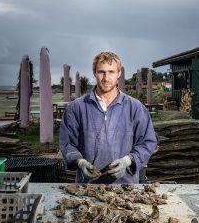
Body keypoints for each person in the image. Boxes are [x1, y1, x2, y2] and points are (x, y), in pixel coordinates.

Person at [59, 51, 157, 183]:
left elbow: (148, 141)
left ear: (119, 73)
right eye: (101, 72)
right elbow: (67, 143)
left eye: (111, 72)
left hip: (126, 189)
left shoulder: (135, 108)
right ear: (94, 73)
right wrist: (80, 162)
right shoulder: (77, 108)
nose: (106, 78)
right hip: (86, 189)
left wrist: (127, 161)